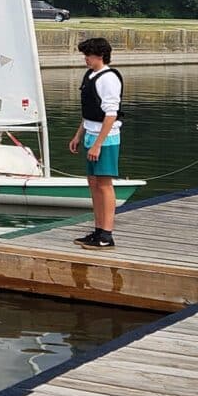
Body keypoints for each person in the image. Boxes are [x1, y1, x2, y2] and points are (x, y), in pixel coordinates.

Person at [68, 37, 123, 250]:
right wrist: (78, 136)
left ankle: (107, 234)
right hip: (90, 134)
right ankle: (98, 229)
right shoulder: (91, 75)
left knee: (104, 184)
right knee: (93, 184)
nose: (85, 59)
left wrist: (98, 144)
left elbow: (111, 114)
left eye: (88, 55)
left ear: (100, 56)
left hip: (105, 138)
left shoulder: (109, 78)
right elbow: (89, 113)